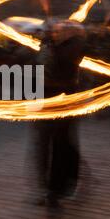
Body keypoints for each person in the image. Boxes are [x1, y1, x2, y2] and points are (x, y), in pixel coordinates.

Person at [33, 20, 87, 208]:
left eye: (59, 30)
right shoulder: (52, 46)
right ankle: (50, 188)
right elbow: (38, 67)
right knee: (45, 144)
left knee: (60, 146)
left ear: (70, 33)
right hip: (46, 100)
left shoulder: (74, 46)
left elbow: (62, 62)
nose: (55, 32)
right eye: (54, 30)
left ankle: (56, 191)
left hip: (64, 101)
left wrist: (49, 44)